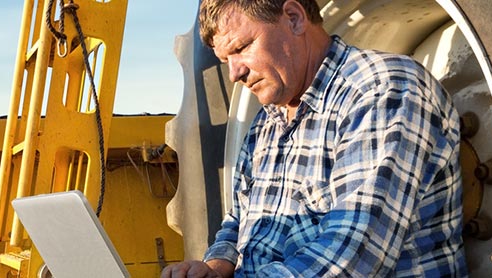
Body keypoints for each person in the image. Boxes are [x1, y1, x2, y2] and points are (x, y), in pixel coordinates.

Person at [161, 0, 466, 277]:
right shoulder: (266, 122)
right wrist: (216, 266)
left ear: (293, 18)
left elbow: (352, 255)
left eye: (242, 47)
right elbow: (238, 219)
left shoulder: (382, 90)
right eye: (226, 59)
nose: (234, 74)